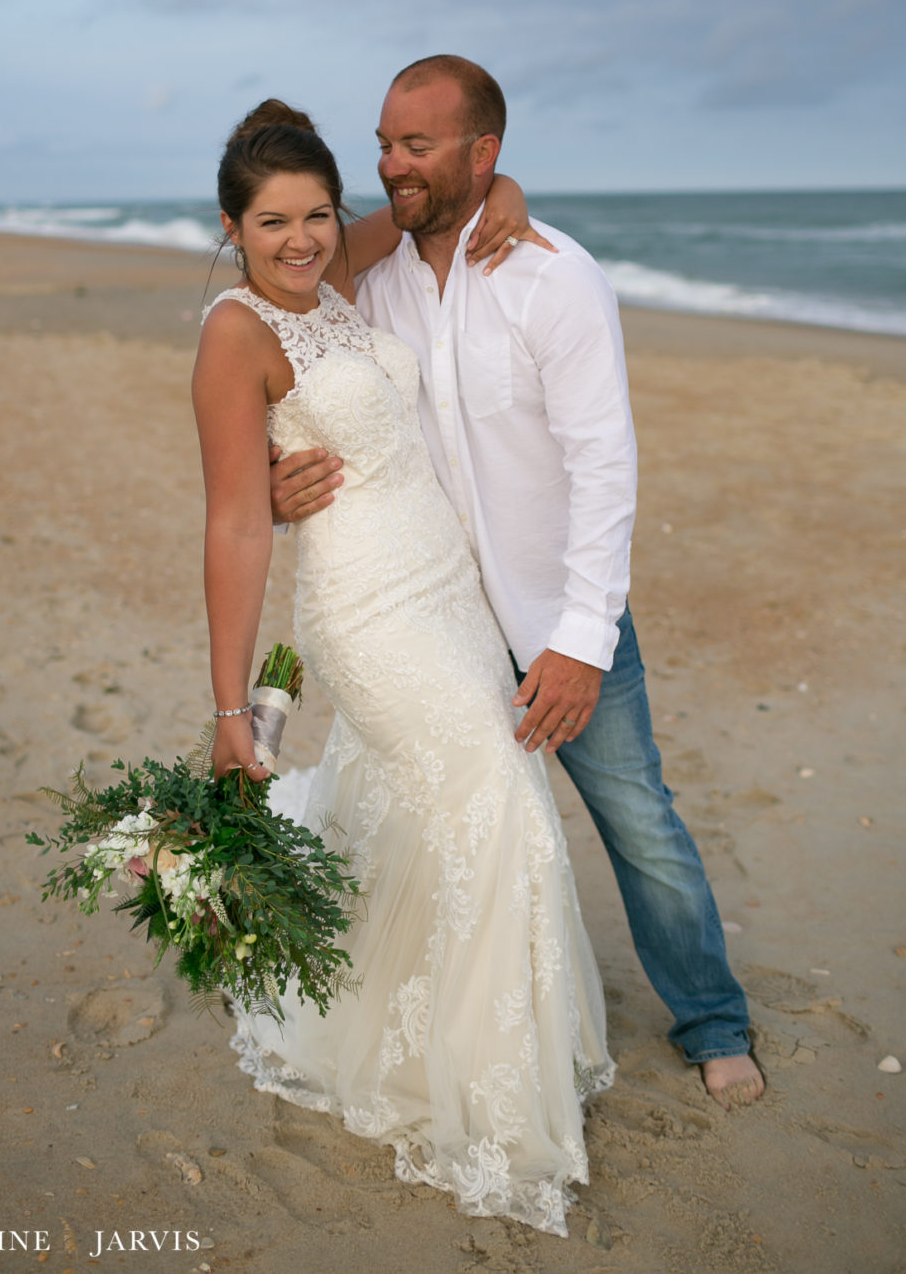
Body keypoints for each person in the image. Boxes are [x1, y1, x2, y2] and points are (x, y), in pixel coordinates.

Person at [271, 56, 765, 1111]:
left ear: (480, 153)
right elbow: (284, 342)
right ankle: (451, 1038)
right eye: (385, 143)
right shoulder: (372, 281)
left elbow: (605, 467)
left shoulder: (553, 276)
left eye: (416, 146)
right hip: (436, 620)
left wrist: (583, 642)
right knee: (445, 832)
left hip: (558, 621)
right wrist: (285, 474)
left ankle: (712, 1020)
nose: (390, 164)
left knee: (639, 825)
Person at [192, 101, 614, 1237]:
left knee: (457, 803)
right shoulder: (236, 333)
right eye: (271, 221)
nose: (300, 240)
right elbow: (235, 524)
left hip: (450, 587)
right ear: (231, 227)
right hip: (368, 607)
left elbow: (439, 204)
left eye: (317, 214)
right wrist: (232, 705)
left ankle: (434, 1031)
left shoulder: (342, 266)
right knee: (494, 798)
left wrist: (506, 190)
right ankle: (480, 1095)